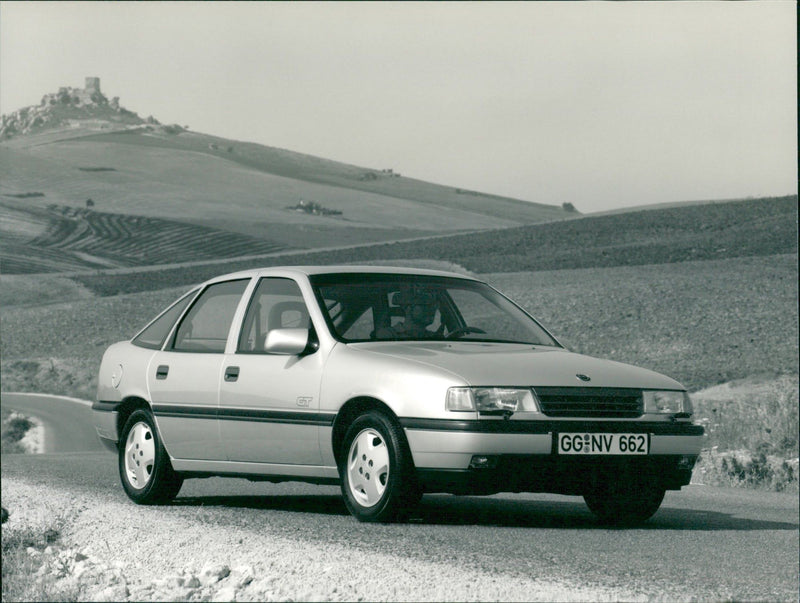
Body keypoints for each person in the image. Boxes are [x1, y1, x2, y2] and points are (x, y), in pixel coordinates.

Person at [377, 289, 441, 340]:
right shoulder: (388, 335)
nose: (432, 309)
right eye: (424, 304)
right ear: (407, 307)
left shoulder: (436, 337)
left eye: (435, 305)